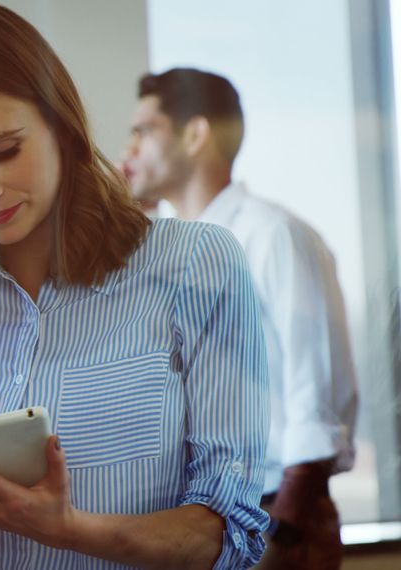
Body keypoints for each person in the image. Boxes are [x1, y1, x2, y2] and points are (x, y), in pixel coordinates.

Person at [0, 3, 271, 569]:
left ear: (60, 123)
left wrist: (72, 531)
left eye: (5, 150)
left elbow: (231, 535)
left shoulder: (195, 265)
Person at [122, 67, 359, 569]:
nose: (130, 148)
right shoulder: (158, 256)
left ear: (195, 133)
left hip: (273, 513)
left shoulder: (271, 235)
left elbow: (312, 387)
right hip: (190, 518)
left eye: (144, 130)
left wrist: (285, 530)